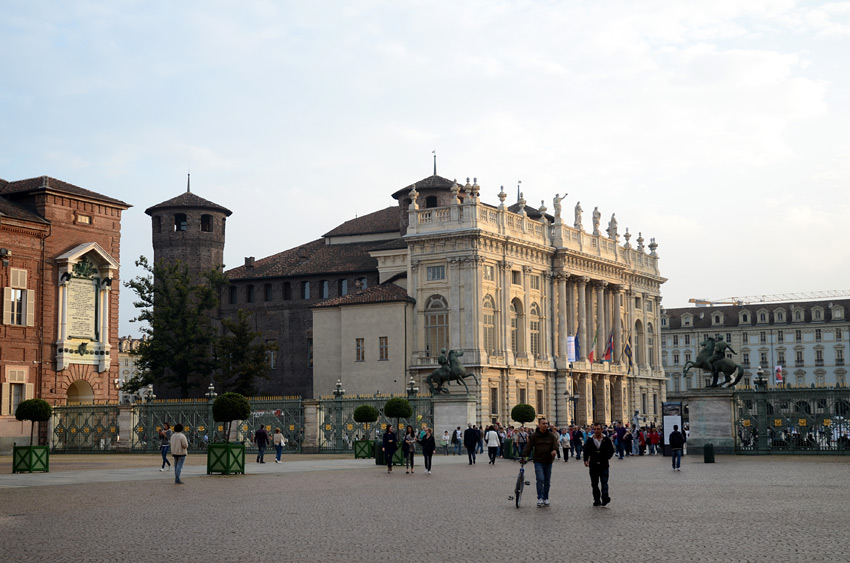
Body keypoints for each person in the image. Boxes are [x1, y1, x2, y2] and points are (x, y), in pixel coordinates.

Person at [521, 417, 559, 507]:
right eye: (543, 423)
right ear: (539, 425)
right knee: (540, 479)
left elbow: (555, 445)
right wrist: (524, 456)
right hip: (538, 460)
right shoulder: (534, 436)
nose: (545, 425)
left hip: (548, 460)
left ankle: (546, 498)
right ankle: (540, 498)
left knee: (547, 481)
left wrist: (554, 451)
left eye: (546, 423)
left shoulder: (551, 436)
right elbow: (529, 447)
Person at [583, 422, 615, 506]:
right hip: (593, 465)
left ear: (601, 430)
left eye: (598, 429)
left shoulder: (606, 439)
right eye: (594, 429)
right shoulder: (590, 440)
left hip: (604, 465)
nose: (596, 431)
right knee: (594, 483)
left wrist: (606, 458)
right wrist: (585, 460)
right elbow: (586, 451)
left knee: (604, 483)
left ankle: (605, 498)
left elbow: (611, 451)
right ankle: (596, 499)